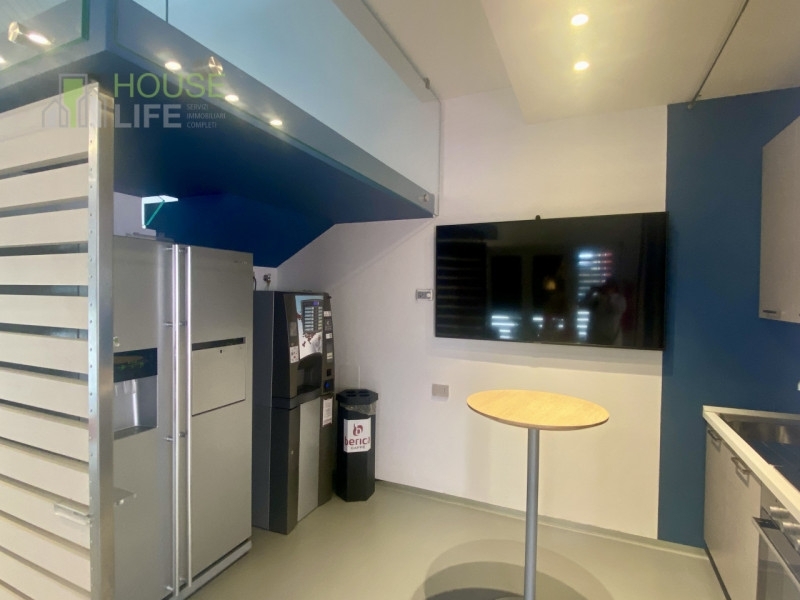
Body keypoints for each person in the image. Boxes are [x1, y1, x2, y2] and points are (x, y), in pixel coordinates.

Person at [582, 279, 626, 345]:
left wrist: (609, 297)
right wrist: (590, 293)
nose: (606, 288)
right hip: (595, 337)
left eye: (610, 286)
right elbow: (583, 305)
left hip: (612, 338)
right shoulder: (597, 298)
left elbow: (617, 309)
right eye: (605, 285)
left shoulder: (619, 299)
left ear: (615, 288)